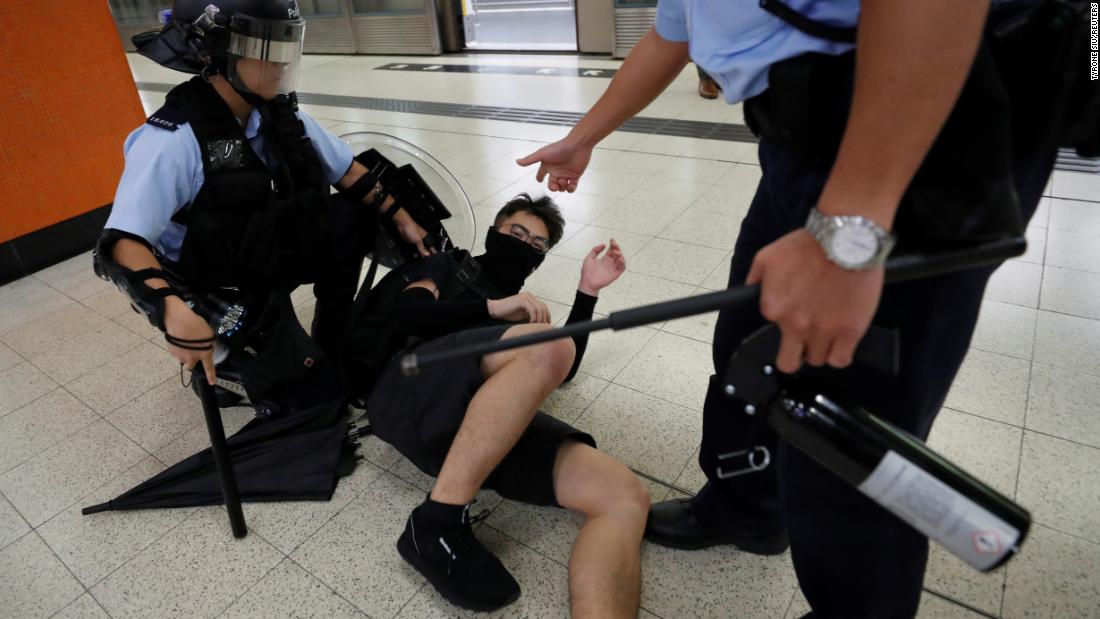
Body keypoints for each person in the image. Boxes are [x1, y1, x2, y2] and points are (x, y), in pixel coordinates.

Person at [516, 1, 1060, 617]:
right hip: (800, 135)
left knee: (848, 422)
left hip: (909, 130)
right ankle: (747, 508)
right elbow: (676, 28)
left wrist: (849, 230)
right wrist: (582, 138)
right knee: (747, 352)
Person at [93, 0, 432, 394]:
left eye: (287, 46)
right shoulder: (171, 141)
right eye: (266, 49)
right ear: (215, 54)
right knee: (313, 396)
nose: (282, 63)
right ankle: (232, 354)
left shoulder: (278, 113)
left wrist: (400, 215)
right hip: (218, 279)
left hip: (264, 248)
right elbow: (121, 244)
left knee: (352, 214)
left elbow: (348, 171)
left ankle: (331, 330)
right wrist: (171, 311)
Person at [363, 194, 648, 617]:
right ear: (495, 230)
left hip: (471, 431)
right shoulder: (445, 265)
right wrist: (493, 308)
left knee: (624, 495)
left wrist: (587, 292)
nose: (525, 246)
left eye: (537, 246)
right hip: (407, 393)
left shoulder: (523, 315)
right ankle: (436, 523)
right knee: (548, 344)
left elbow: (562, 368)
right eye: (517, 233)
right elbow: (410, 315)